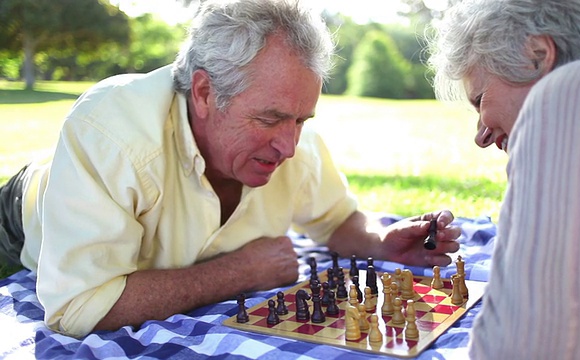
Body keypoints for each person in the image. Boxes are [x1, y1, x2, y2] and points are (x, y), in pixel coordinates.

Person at [0, 0, 461, 338]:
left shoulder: (298, 146)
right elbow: (79, 307)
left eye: (301, 119)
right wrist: (238, 272)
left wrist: (385, 240)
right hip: (22, 216)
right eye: (270, 118)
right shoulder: (111, 135)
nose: (289, 145)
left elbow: (337, 220)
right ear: (203, 93)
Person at [429, 0, 580, 358]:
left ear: (538, 56)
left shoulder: (566, 98)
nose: (480, 136)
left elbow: (530, 345)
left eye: (480, 100)